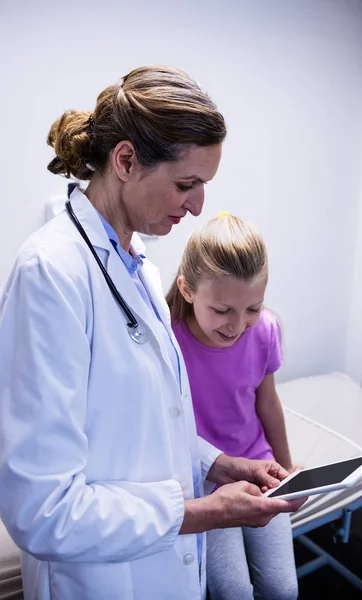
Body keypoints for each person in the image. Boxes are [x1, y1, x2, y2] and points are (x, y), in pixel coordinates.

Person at [0, 66, 305, 600]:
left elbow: (150, 428)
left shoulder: (140, 264)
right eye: (186, 184)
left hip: (162, 570)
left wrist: (219, 464)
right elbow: (44, 513)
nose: (198, 207)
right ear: (124, 161)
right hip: (100, 580)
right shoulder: (50, 274)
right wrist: (205, 513)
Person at [167, 213, 299, 600]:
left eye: (252, 309)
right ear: (187, 290)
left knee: (283, 589)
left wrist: (288, 470)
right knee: (232, 591)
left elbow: (268, 403)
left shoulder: (266, 331)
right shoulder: (168, 339)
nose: (238, 325)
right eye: (222, 310)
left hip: (259, 464)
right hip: (206, 478)